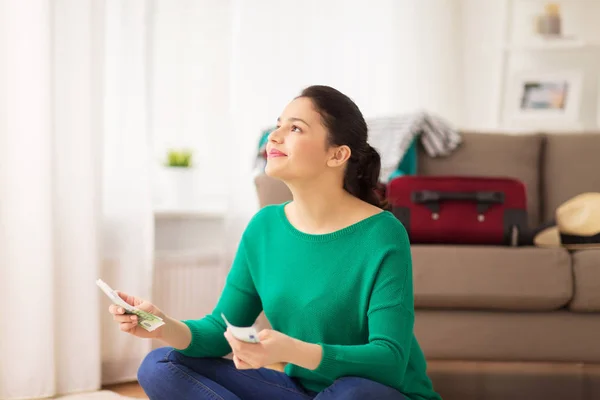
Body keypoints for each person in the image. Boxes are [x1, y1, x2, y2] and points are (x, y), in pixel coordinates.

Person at [109, 85, 441, 400]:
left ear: (338, 155)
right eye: (278, 125)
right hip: (299, 391)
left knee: (351, 393)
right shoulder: (264, 227)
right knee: (161, 365)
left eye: (295, 128)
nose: (275, 136)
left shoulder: (382, 233)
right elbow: (217, 330)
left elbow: (389, 360)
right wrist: (161, 325)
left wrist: (290, 350)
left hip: (374, 393)